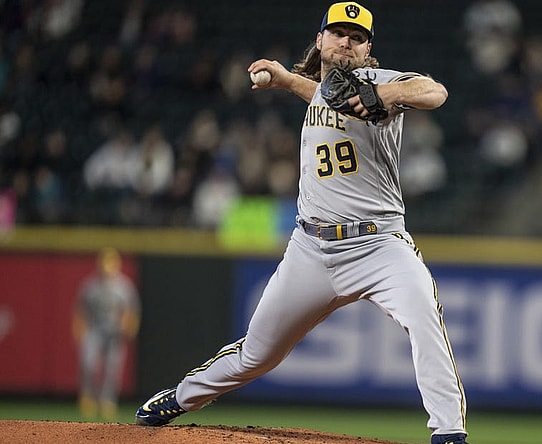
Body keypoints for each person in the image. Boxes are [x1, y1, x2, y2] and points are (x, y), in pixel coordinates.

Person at [134, 2, 468, 443]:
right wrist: (285, 78)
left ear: (369, 50)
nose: (346, 41)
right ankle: (180, 396)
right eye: (338, 33)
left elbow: (434, 91)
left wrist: (385, 95)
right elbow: (320, 94)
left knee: (424, 314)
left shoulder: (379, 82)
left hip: (378, 244)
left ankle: (449, 434)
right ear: (321, 39)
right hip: (310, 250)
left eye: (357, 37)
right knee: (257, 355)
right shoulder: (325, 90)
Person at [73, 247, 141, 420]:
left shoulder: (124, 286)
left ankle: (107, 401)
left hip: (114, 332)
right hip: (95, 329)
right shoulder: (90, 286)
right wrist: (78, 328)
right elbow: (81, 310)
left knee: (112, 368)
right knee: (88, 363)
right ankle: (88, 397)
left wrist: (129, 327)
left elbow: (131, 310)